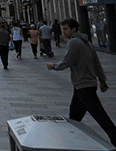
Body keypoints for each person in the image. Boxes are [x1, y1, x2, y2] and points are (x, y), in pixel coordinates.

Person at [47, 19, 116, 147]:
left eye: (66, 29)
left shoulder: (73, 42)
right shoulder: (87, 42)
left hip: (84, 86)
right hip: (82, 86)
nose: (64, 32)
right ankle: (71, 140)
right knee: (74, 116)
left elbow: (67, 61)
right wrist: (102, 81)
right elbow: (97, 63)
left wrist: (53, 66)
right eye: (63, 29)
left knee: (100, 116)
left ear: (74, 29)